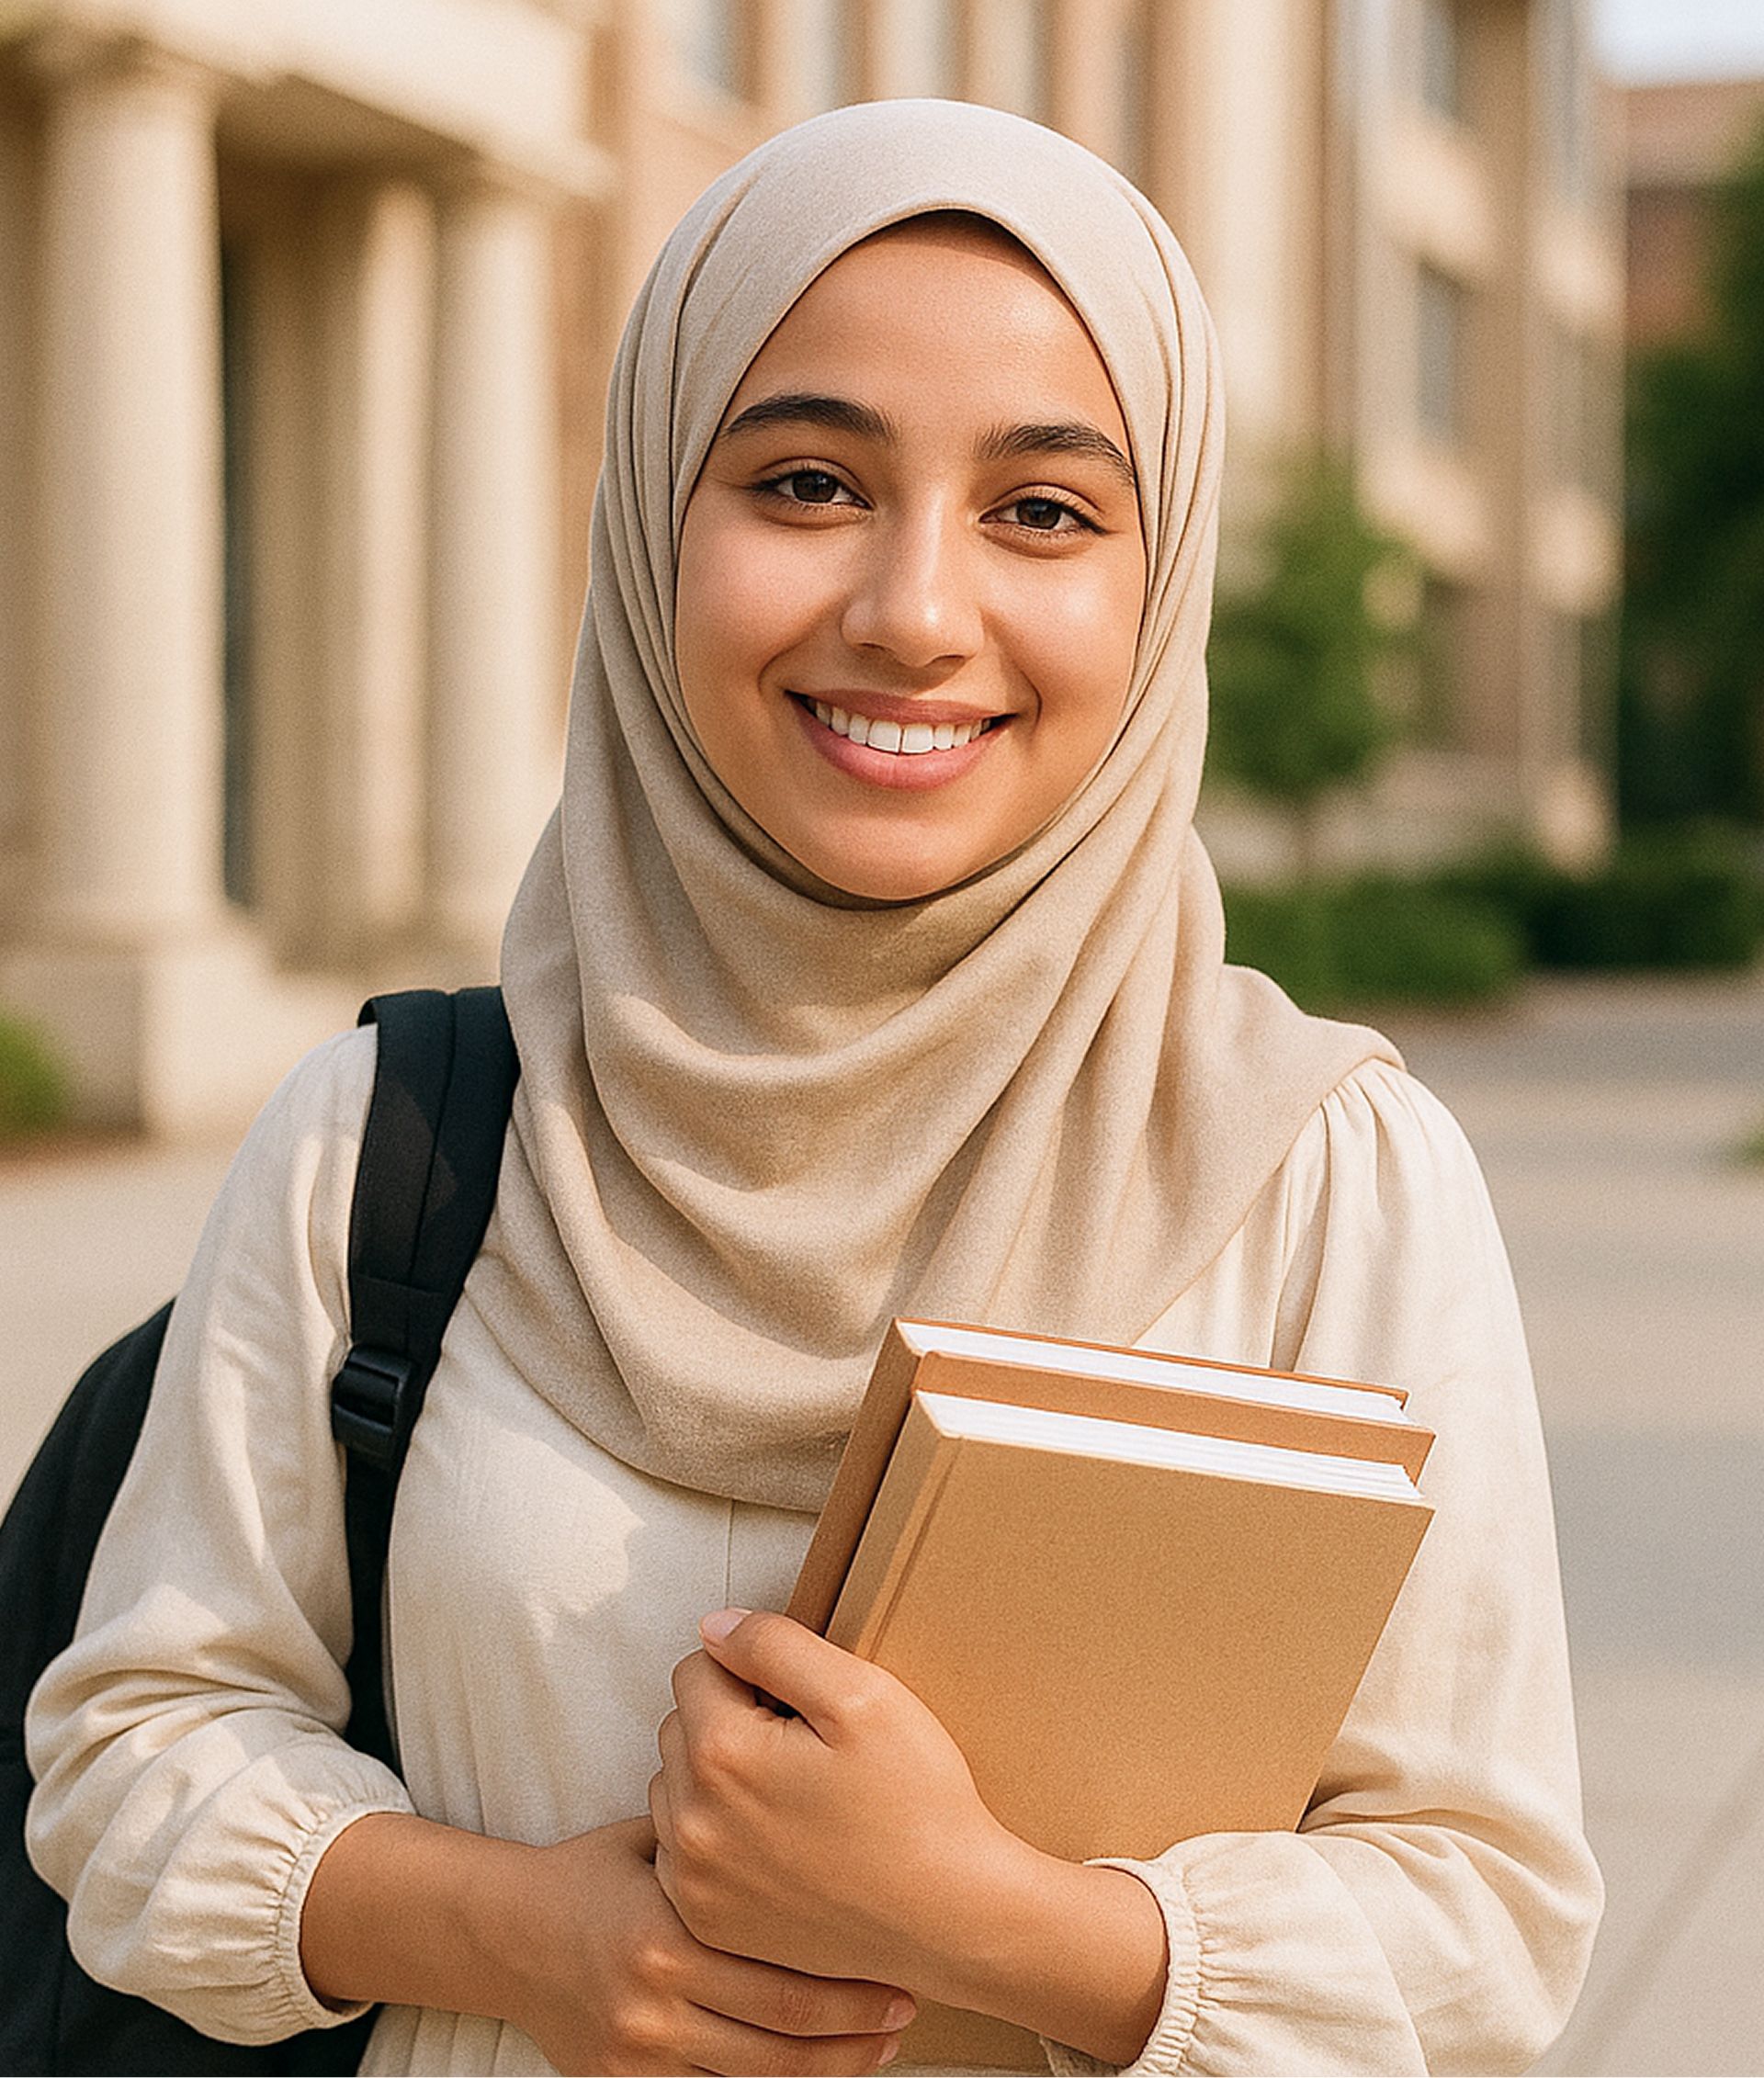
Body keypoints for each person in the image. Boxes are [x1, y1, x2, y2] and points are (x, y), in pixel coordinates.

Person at [25, 99, 1600, 2077]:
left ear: (1162, 573)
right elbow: (129, 1751)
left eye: (1043, 511)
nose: (914, 612)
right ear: (652, 521)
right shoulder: (398, 1138)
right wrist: (529, 1937)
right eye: (806, 482)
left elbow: (1485, 1922)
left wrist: (990, 1920)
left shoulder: (1322, 1180)